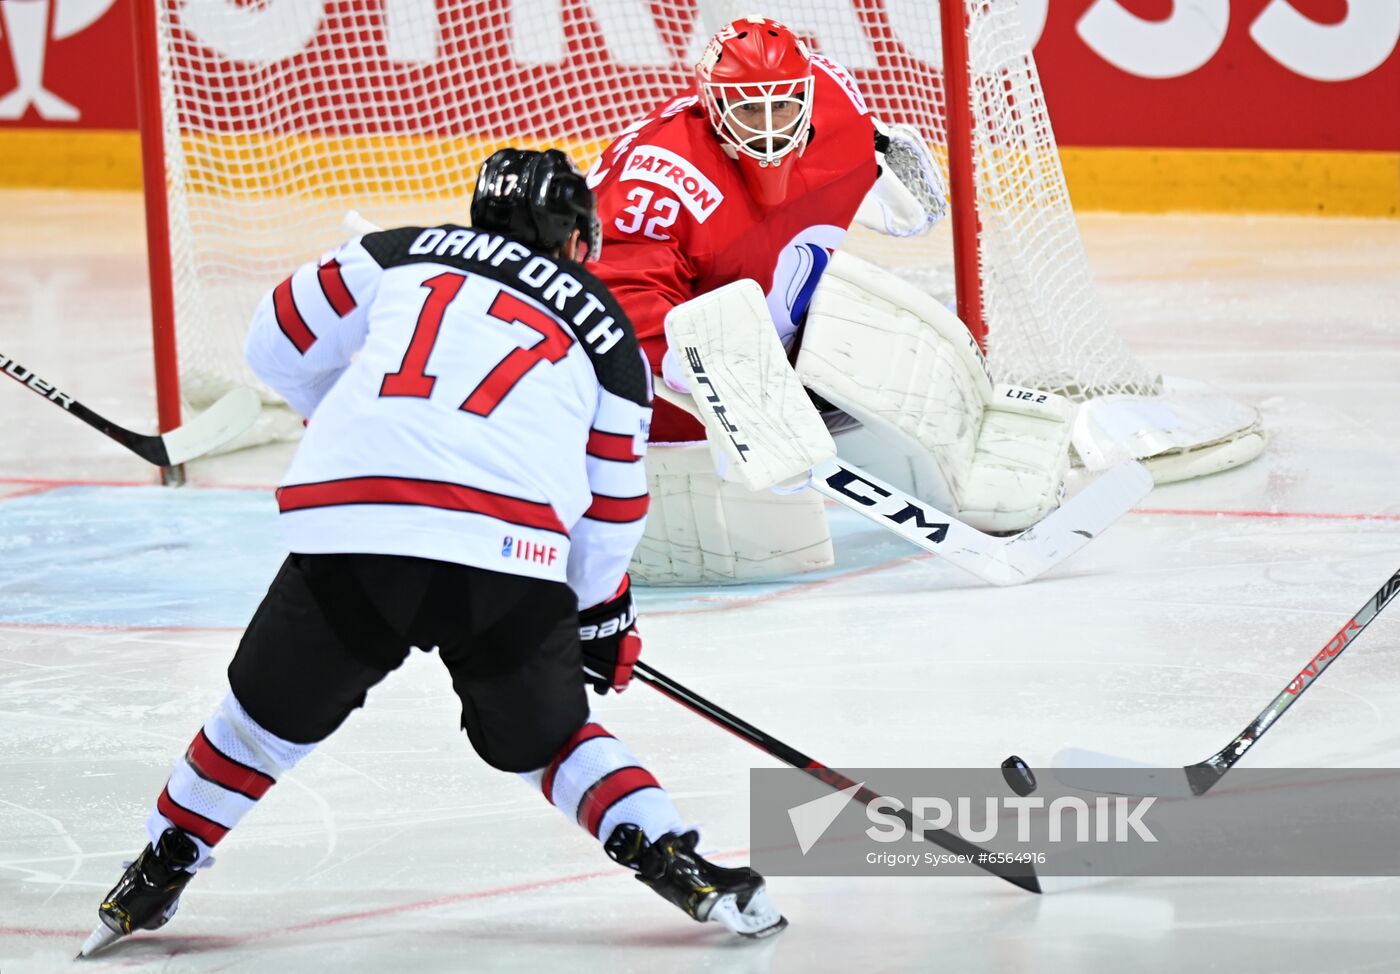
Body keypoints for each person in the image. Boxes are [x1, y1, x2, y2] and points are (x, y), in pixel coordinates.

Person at [80, 149, 786, 957]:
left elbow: (274, 341)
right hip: (507, 551)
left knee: (259, 726)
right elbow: (615, 503)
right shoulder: (604, 324)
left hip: (352, 524)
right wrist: (598, 612)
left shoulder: (396, 250)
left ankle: (160, 865)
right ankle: (672, 858)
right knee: (547, 740)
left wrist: (353, 428)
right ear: (571, 236)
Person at [584, 16, 1072, 586]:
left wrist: (879, 158)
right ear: (711, 106)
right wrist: (732, 403)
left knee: (867, 315)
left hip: (769, 346)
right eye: (747, 111)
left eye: (783, 108)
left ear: (807, 96)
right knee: (773, 544)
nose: (768, 129)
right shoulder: (658, 184)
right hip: (657, 401)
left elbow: (866, 143)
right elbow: (618, 320)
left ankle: (968, 472)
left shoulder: (835, 99)